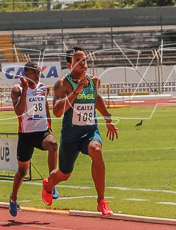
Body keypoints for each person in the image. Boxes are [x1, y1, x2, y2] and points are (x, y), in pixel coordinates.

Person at [42, 48, 118, 216]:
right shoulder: (62, 84)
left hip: (90, 131)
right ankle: (48, 185)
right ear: (69, 64)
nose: (83, 63)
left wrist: (108, 119)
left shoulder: (93, 81)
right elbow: (56, 111)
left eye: (84, 59)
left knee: (95, 150)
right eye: (78, 60)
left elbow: (97, 99)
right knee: (63, 174)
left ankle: (101, 201)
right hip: (70, 137)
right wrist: (76, 92)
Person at [8, 61, 58, 217]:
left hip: (41, 131)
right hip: (26, 134)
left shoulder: (43, 88)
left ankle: (51, 182)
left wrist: (49, 121)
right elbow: (18, 111)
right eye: (35, 72)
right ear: (27, 73)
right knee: (22, 171)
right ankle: (13, 198)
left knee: (53, 144)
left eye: (39, 72)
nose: (38, 74)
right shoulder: (17, 89)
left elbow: (45, 105)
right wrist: (24, 92)